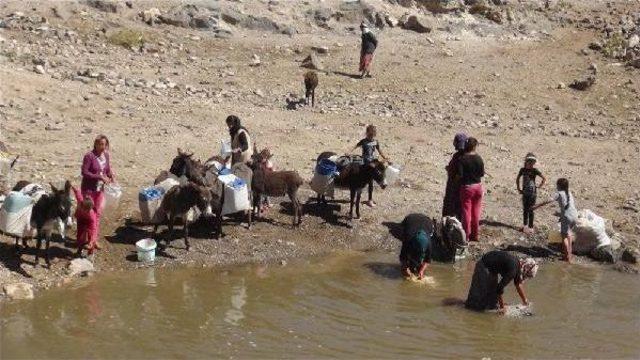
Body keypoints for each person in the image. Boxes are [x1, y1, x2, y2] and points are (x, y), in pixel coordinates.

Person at [465, 250, 538, 312]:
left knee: (492, 302)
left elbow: (518, 284)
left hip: (492, 269)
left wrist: (525, 301)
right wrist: (502, 308)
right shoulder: (513, 270)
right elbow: (499, 288)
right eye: (527, 275)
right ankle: (456, 304)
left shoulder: (518, 265)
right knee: (473, 304)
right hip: (484, 266)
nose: (525, 277)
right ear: (525, 270)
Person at [81, 135, 114, 250]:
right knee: (89, 215)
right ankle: (86, 239)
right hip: (88, 190)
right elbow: (84, 172)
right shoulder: (89, 156)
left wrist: (111, 175)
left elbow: (107, 169)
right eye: (100, 144)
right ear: (95, 144)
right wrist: (99, 177)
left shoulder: (106, 155)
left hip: (100, 190)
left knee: (97, 214)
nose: (102, 147)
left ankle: (93, 240)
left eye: (104, 144)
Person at [533, 178, 577, 263]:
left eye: (557, 185)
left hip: (567, 216)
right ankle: (570, 254)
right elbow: (569, 207)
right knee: (569, 235)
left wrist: (536, 206)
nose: (556, 186)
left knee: (564, 235)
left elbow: (548, 201)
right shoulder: (569, 193)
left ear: (559, 186)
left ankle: (567, 257)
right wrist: (560, 214)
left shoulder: (559, 193)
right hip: (575, 215)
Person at [352, 124, 388, 207]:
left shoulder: (375, 142)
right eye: (370, 134)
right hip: (364, 162)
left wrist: (385, 157)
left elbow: (379, 151)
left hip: (373, 162)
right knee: (364, 179)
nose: (371, 136)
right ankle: (357, 194)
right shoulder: (364, 141)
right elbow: (356, 146)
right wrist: (349, 151)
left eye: (373, 135)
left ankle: (370, 199)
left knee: (372, 181)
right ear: (367, 133)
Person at [456, 137, 484, 242]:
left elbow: (460, 175)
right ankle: (475, 235)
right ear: (475, 146)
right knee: (476, 212)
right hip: (478, 186)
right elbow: (481, 173)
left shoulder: (462, 159)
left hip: (467, 188)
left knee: (466, 212)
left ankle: (466, 235)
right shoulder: (479, 158)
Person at [516, 153, 546, 234]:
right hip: (525, 192)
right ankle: (525, 226)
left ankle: (531, 227)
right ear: (526, 161)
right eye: (530, 162)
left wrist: (539, 186)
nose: (531, 164)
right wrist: (519, 188)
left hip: (532, 193)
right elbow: (518, 178)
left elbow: (544, 178)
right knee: (525, 209)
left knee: (531, 210)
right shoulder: (522, 170)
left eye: (532, 162)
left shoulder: (534, 170)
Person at [399, 213, 434, 280]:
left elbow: (428, 260)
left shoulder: (429, 244)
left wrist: (422, 271)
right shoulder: (408, 239)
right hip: (410, 218)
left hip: (427, 220)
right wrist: (405, 267)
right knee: (401, 232)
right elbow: (402, 256)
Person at [442, 132, 468, 219]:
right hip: (464, 186)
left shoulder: (458, 156)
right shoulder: (468, 156)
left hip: (454, 186)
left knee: (451, 206)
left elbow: (458, 173)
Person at [71, 185, 98, 257]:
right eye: (85, 209)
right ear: (82, 206)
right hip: (80, 219)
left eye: (88, 210)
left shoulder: (91, 215)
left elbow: (93, 229)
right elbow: (78, 194)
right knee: (80, 235)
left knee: (90, 235)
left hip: (89, 222)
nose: (86, 211)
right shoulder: (81, 202)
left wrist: (92, 240)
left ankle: (91, 251)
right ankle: (79, 250)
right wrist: (73, 187)